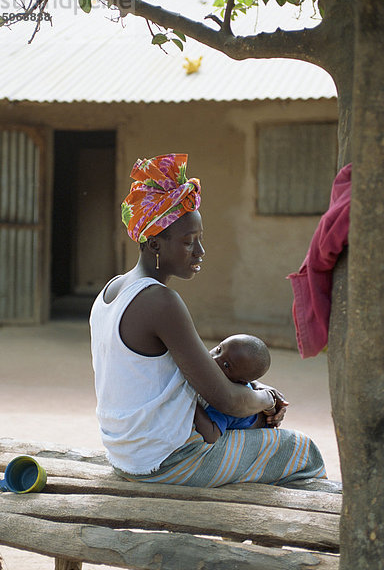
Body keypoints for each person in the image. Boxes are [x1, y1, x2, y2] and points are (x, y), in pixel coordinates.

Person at [90, 153, 327, 487]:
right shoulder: (160, 301)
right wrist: (267, 400)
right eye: (188, 242)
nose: (200, 251)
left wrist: (257, 391)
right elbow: (225, 399)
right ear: (155, 243)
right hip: (169, 461)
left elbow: (193, 372)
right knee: (302, 451)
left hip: (126, 454)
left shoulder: (112, 291)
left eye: (200, 238)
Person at [195, 334, 287, 443]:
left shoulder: (226, 402)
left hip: (253, 438)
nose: (214, 359)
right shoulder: (228, 378)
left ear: (240, 382)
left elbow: (211, 435)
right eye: (219, 350)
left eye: (226, 365)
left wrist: (192, 403)